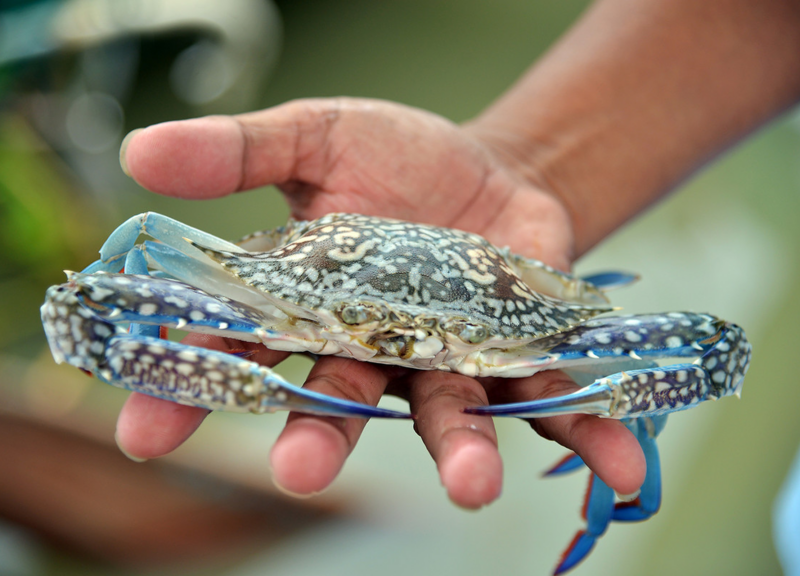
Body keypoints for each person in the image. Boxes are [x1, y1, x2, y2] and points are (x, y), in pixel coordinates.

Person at [115, 0, 800, 515]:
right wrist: (528, 164)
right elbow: (134, 246)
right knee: (123, 261)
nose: (404, 343)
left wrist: (614, 396)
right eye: (368, 323)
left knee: (709, 348)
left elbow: (718, 352)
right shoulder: (258, 283)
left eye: (443, 336)